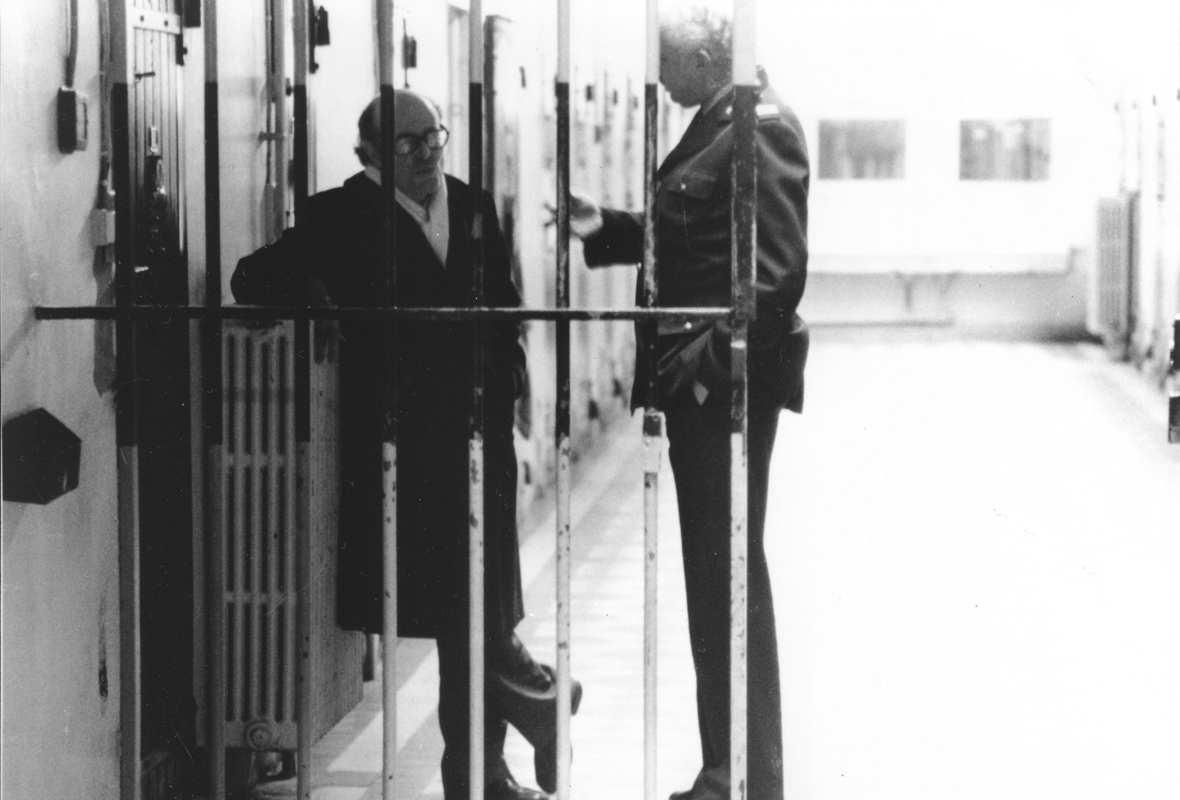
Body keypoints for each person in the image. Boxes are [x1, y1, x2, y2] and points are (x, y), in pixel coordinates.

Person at [232, 91, 581, 800]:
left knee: (476, 609)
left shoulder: (472, 204)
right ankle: (533, 716)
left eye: (433, 136)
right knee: (463, 612)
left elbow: (505, 306)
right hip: (404, 450)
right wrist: (312, 287)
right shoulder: (339, 216)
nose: (427, 153)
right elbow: (249, 279)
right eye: (407, 144)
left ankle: (490, 767)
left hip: (480, 438)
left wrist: (506, 384)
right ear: (369, 155)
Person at [568, 6, 809, 800]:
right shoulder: (720, 120)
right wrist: (608, 228)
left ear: (707, 59)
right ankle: (727, 768)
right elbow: (697, 230)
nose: (661, 78)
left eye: (668, 63)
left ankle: (746, 775)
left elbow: (772, 279)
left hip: (725, 392)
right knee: (717, 576)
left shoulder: (762, 128)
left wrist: (701, 373)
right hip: (707, 388)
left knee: (728, 574)